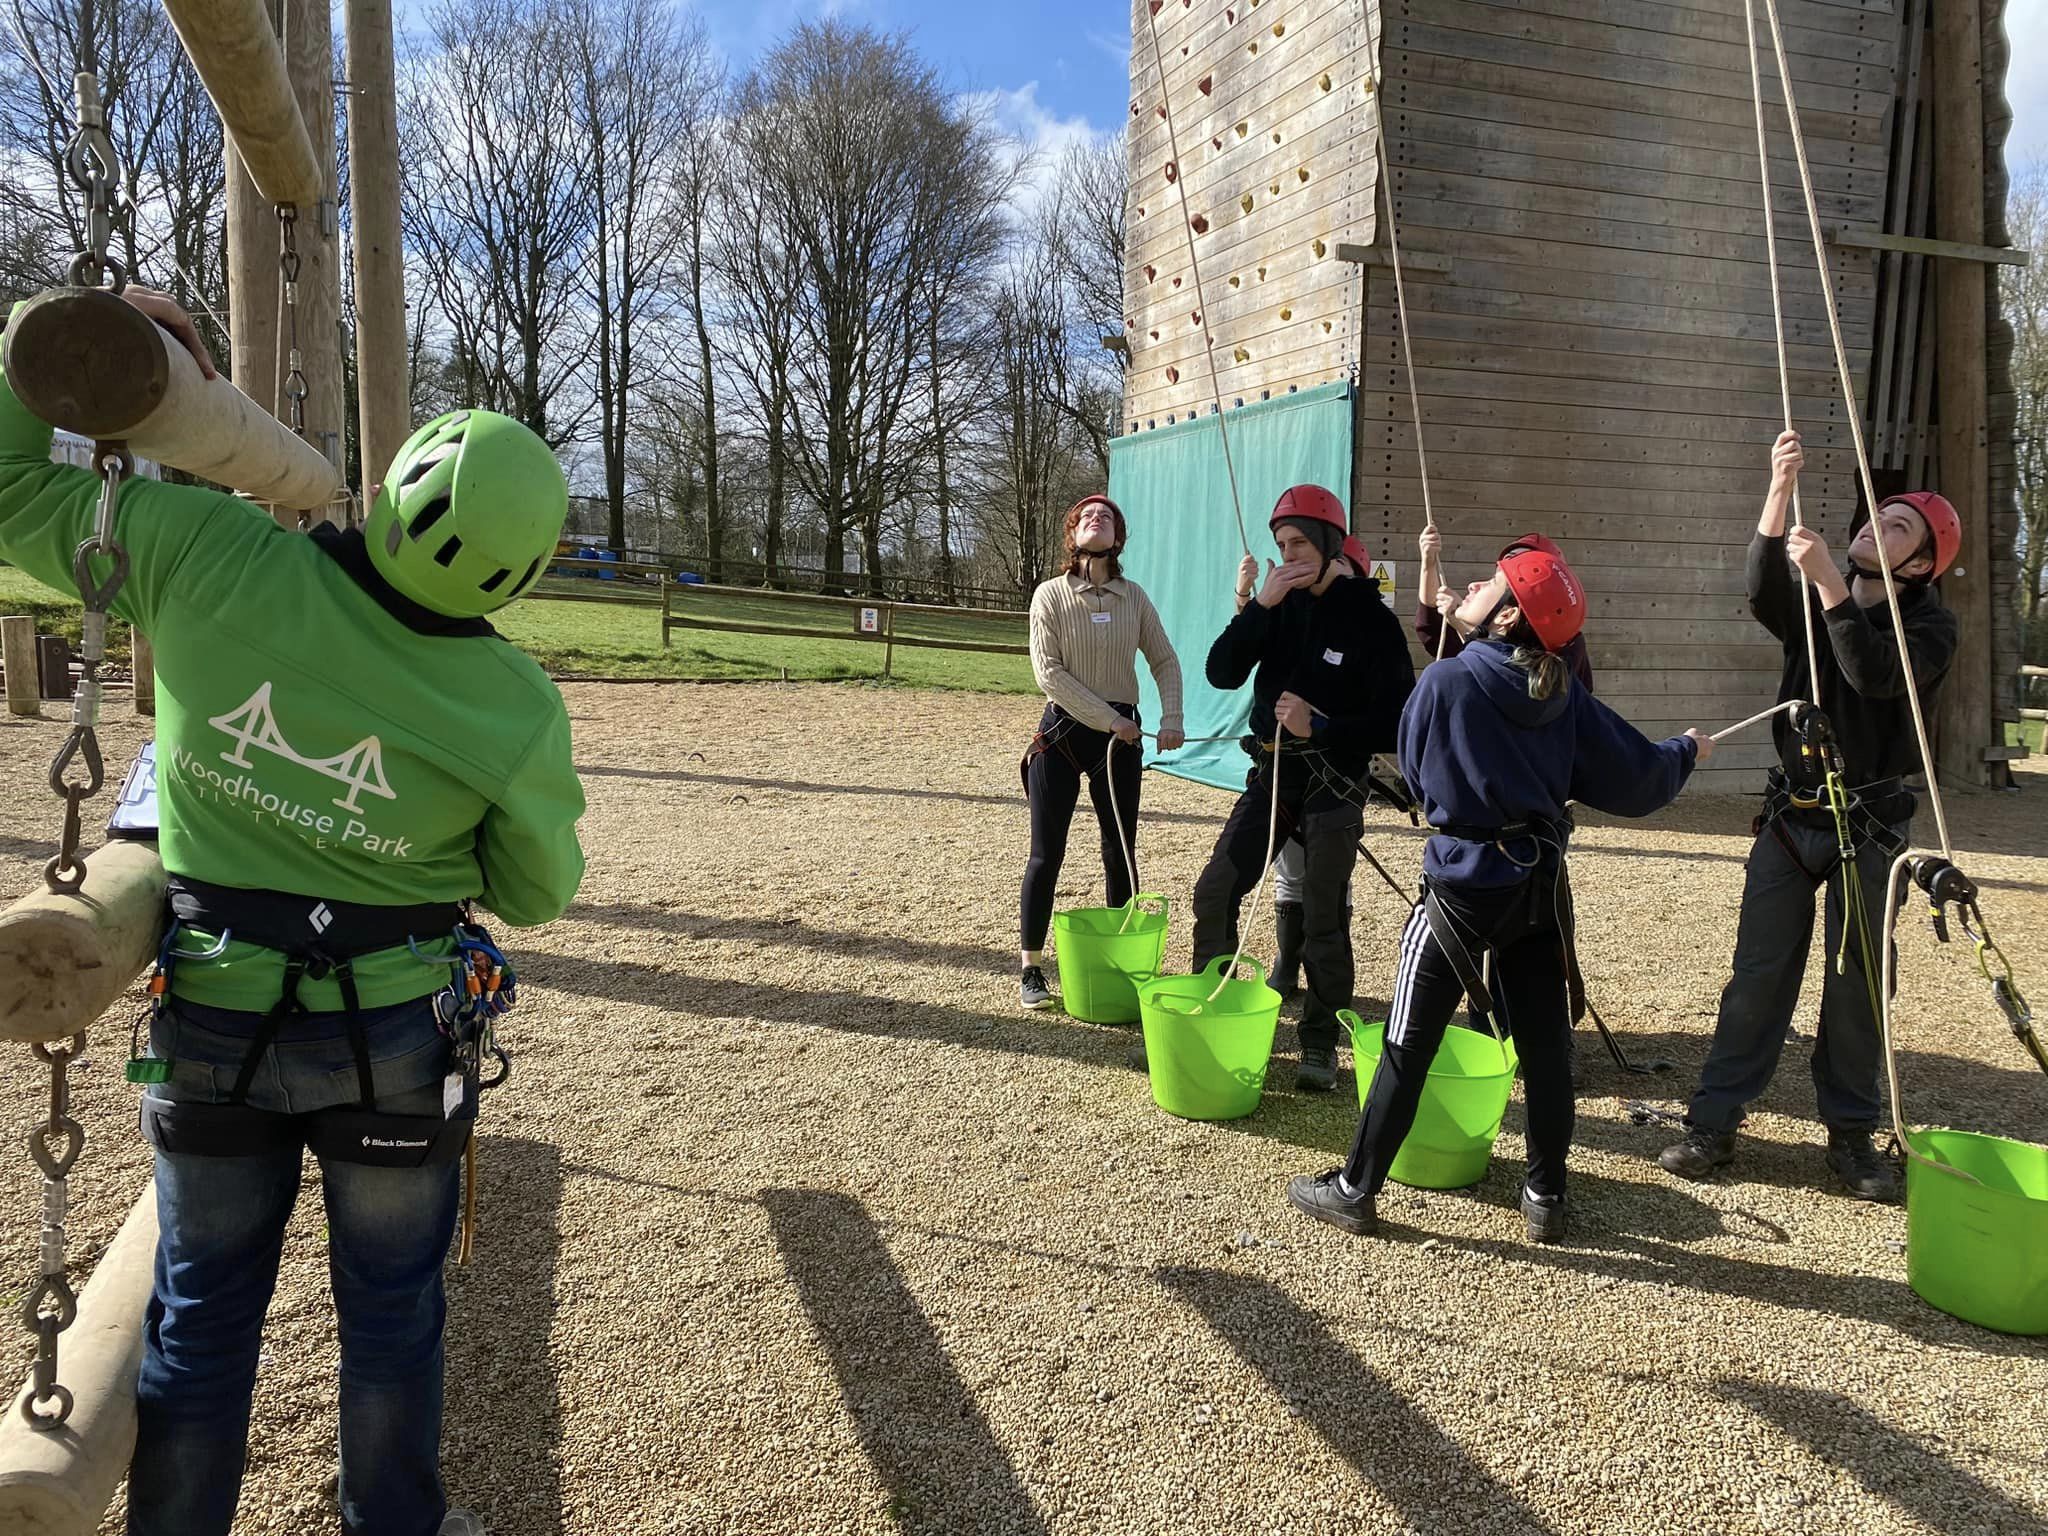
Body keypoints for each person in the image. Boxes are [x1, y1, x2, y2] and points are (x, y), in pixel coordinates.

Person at [0, 287, 585, 1536]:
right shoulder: (512, 705)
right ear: (525, 572)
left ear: (398, 479)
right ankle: (391, 1523)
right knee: (390, 1315)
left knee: (202, 1310)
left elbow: (8, 493)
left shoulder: (202, 555)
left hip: (214, 1018)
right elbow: (536, 890)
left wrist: (48, 343)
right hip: (390, 1045)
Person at [1284, 540, 1710, 1243]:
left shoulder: (1446, 682)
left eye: (1492, 583)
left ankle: (1356, 1189)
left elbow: (1418, 778)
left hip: (1459, 887)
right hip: (1536, 890)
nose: (1474, 584)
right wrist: (1688, 750)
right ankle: (1545, 1195)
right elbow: (1639, 778)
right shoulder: (1564, 694)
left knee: (1406, 1042)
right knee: (1544, 1050)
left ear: (1510, 616)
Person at [1660, 430, 1960, 1201]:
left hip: (1872, 826)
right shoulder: (1806, 599)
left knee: (1857, 980)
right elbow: (1761, 587)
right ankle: (1713, 1121)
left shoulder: (1929, 626)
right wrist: (1777, 488)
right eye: (1875, 516)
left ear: (1923, 565)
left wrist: (1831, 585)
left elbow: (1872, 675)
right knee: (1757, 976)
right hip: (1792, 818)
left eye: (1898, 529)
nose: (1873, 526)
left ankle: (1853, 1134)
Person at [1188, 486, 1414, 1091]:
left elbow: (1398, 717)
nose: (1288, 554)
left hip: (1334, 780)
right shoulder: (1278, 604)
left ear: (1330, 545)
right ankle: (1212, 1017)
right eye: (1282, 544)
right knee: (1214, 891)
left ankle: (1319, 1044)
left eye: (1300, 544)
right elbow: (1221, 671)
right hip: (1274, 773)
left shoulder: (1370, 618)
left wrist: (1325, 726)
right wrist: (1258, 605)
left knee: (1323, 917)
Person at [1019, 494, 1184, 1009]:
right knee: (1047, 856)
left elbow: (1165, 659)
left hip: (1121, 744)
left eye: (1106, 516)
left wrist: (1173, 717)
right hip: (1062, 738)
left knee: (1121, 852)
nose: (1097, 518)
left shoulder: (1133, 597)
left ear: (1118, 538)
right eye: (1087, 515)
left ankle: (1124, 963)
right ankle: (1031, 968)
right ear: (1073, 535)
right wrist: (1110, 718)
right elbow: (1049, 673)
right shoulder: (1048, 595)